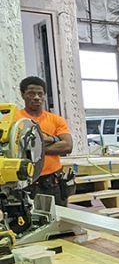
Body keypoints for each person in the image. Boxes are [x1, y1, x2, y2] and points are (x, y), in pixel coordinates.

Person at [16, 76, 73, 206]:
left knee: (59, 221)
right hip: (24, 185)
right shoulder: (14, 120)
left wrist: (31, 149)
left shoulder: (56, 120)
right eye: (31, 93)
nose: (36, 97)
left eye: (40, 94)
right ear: (22, 95)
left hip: (53, 184)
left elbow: (67, 146)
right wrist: (52, 141)